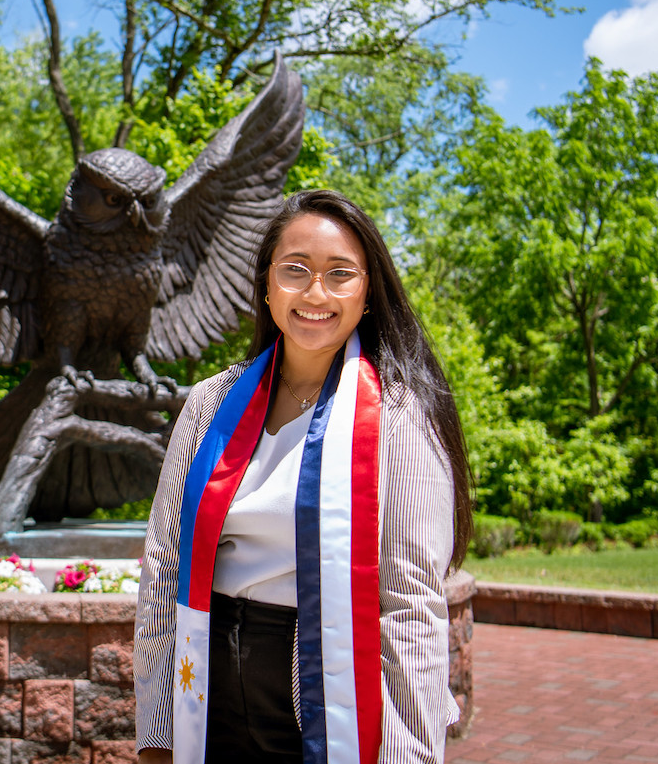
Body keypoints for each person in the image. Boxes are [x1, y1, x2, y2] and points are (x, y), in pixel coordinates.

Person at [134, 189, 472, 764]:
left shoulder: (398, 417)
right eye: (295, 270)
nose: (316, 293)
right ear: (267, 286)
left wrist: (410, 751)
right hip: (207, 685)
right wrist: (158, 730)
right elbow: (164, 570)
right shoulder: (210, 404)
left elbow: (409, 604)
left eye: (340, 274)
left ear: (367, 293)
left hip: (321, 689)